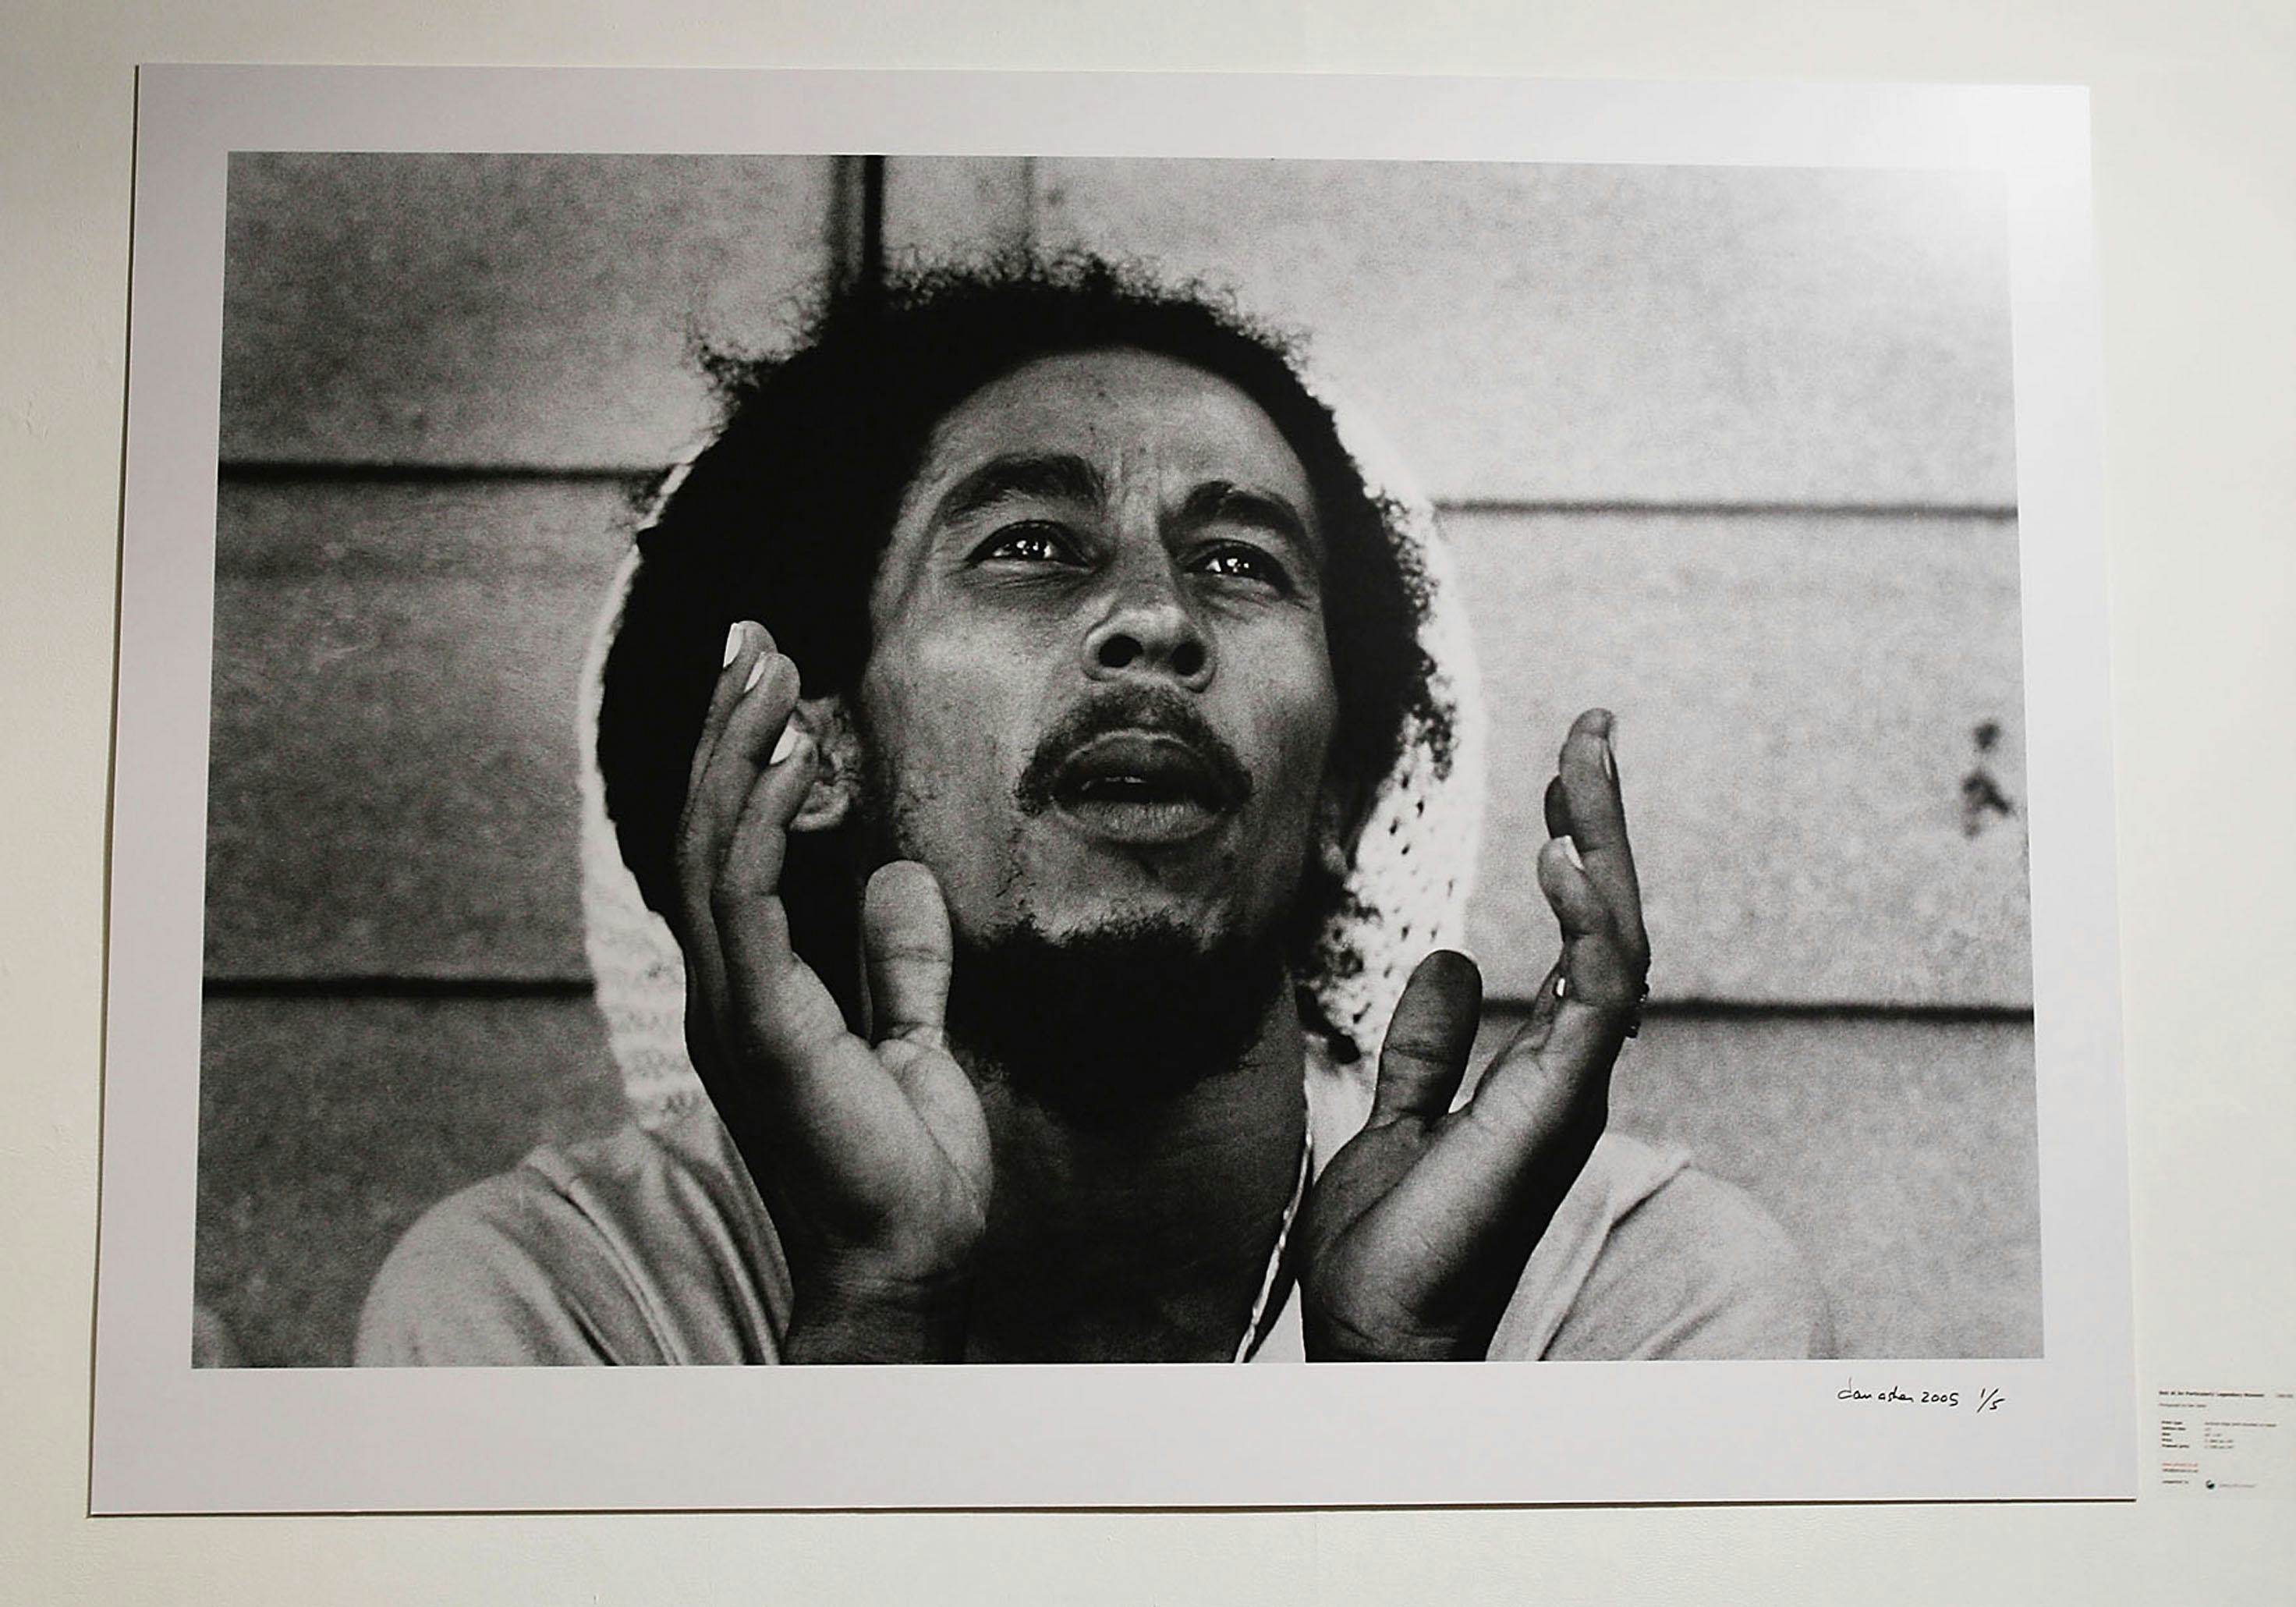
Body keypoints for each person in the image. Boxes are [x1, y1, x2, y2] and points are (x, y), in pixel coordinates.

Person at [358, 255, 1830, 1364]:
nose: (1158, 619)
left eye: (1241, 563)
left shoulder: (1641, 1295)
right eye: (1034, 544)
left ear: (1338, 793)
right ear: (823, 745)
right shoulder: (564, 1303)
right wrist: (876, 1303)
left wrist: (1396, 1378)